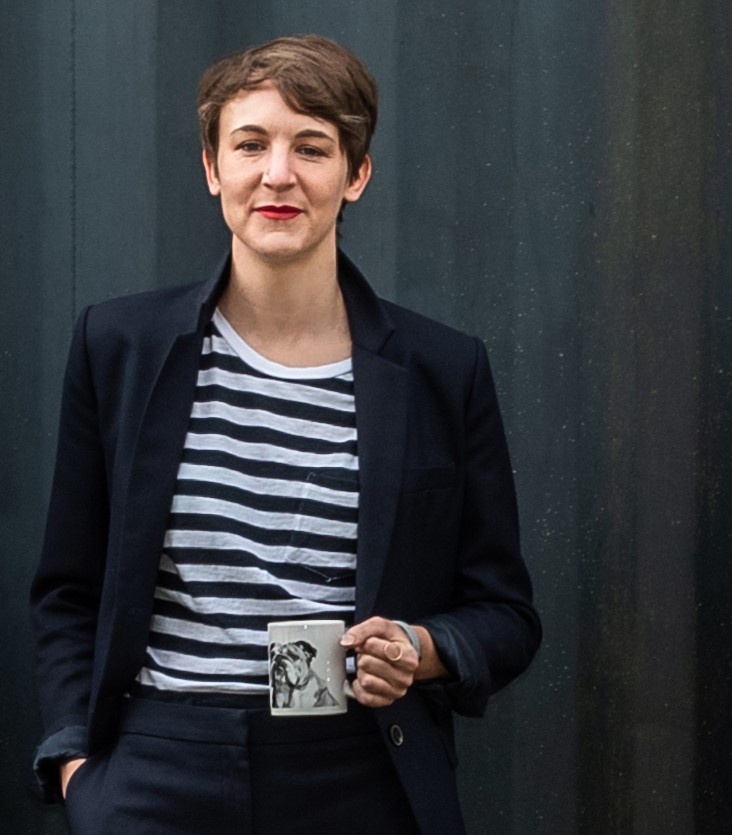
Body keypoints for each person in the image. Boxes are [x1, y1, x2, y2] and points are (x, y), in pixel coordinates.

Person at [30, 34, 541, 834]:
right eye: (250, 144)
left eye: (312, 146)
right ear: (211, 169)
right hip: (158, 768)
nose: (278, 174)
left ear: (357, 173)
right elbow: (68, 587)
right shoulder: (118, 347)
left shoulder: (444, 370)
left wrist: (419, 645)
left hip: (359, 769)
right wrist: (78, 770)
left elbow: (506, 613)